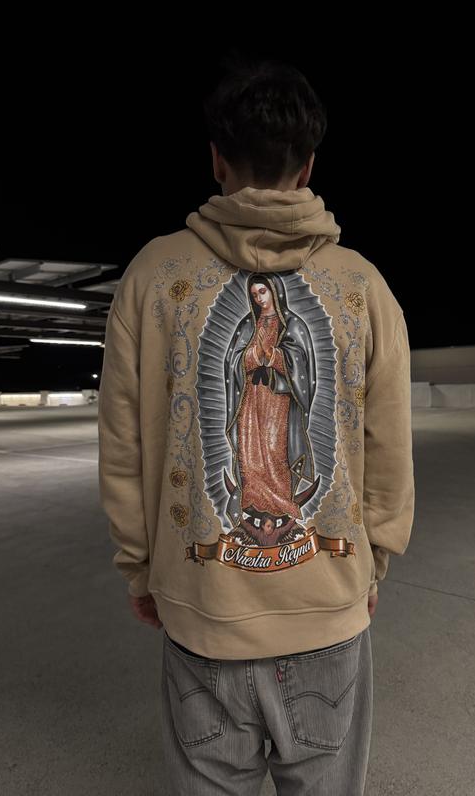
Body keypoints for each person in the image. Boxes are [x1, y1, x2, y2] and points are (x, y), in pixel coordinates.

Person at [98, 49, 415, 796]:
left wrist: (141, 568)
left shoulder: (151, 277)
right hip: (328, 616)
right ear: (308, 166)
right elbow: (390, 448)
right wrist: (371, 562)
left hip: (203, 614)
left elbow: (122, 444)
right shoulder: (363, 286)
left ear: (216, 158)